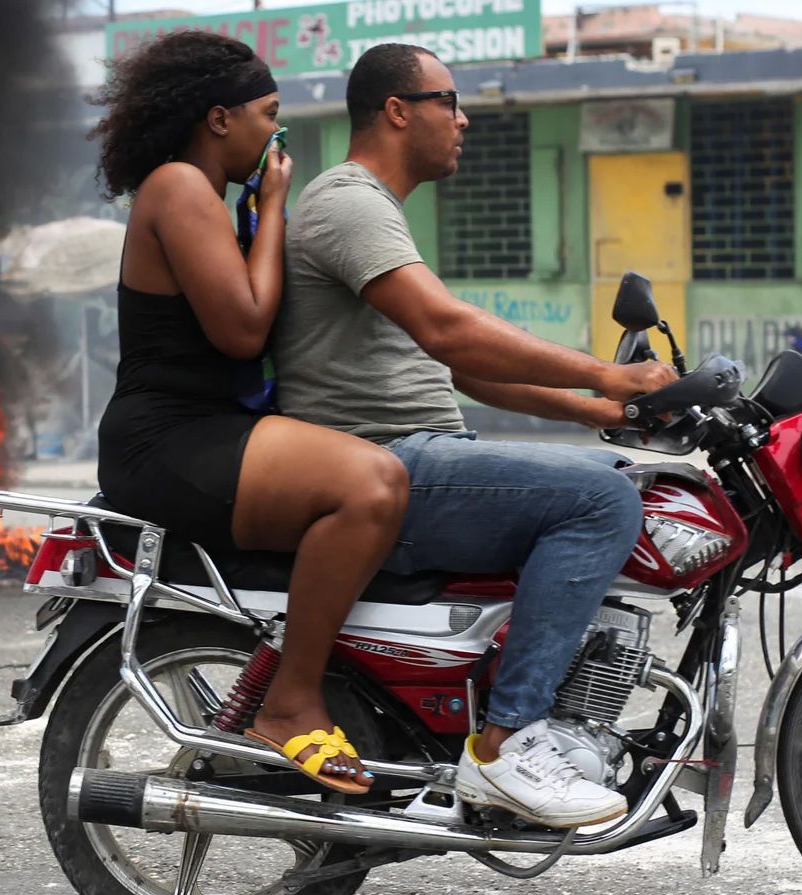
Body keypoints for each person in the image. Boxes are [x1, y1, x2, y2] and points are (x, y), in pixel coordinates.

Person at [275, 43, 679, 828]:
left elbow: (461, 370)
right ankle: (506, 746)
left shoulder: (374, 210)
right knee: (600, 501)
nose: (462, 121)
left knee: (627, 477)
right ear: (397, 110)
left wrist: (606, 412)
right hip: (381, 465)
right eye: (448, 101)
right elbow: (452, 333)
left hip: (416, 452)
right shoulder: (348, 202)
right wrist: (609, 374)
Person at [89, 30, 410, 793]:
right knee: (372, 485)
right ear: (219, 118)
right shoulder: (178, 188)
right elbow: (243, 325)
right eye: (269, 114)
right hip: (168, 439)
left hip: (209, 429)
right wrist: (271, 206)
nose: (278, 133)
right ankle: (290, 700)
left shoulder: (203, 193)